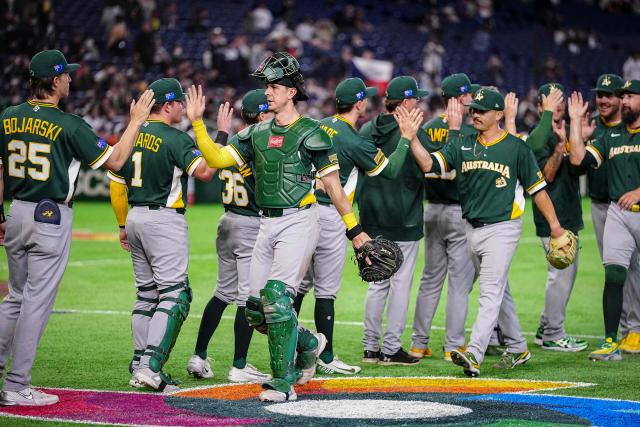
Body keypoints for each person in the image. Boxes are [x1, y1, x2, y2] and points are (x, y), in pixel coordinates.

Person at [186, 52, 371, 402]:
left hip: (300, 221)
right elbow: (216, 159)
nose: (267, 93)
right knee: (256, 311)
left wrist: (356, 231)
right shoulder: (255, 132)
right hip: (264, 224)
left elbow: (333, 187)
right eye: (266, 87)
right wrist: (198, 123)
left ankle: (281, 382)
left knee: (276, 298)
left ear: (290, 92)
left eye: (272, 86)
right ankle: (310, 343)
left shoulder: (311, 132)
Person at [0, 49, 154, 406]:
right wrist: (135, 122)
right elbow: (115, 160)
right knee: (36, 302)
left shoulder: (7, 116)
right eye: (65, 75)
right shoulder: (68, 124)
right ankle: (16, 384)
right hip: (48, 217)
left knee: (15, 299)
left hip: (16, 211)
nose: (70, 79)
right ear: (54, 81)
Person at [408, 88, 567, 377]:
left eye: (481, 110)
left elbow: (539, 191)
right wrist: (411, 139)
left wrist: (555, 227)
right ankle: (518, 346)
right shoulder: (464, 144)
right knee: (501, 291)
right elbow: (430, 164)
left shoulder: (516, 148)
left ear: (499, 114)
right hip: (471, 229)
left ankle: (474, 353)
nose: (475, 114)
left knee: (489, 293)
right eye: (473, 109)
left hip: (503, 229)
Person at [293, 77, 420, 375]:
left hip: (302, 212)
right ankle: (326, 357)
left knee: (298, 287)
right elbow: (389, 171)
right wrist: (405, 137)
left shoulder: (316, 125)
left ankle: (289, 350)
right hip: (332, 216)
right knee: (326, 290)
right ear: (360, 103)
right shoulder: (353, 139)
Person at [108, 77, 220, 392]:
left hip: (134, 216)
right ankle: (150, 366)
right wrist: (215, 133)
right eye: (180, 102)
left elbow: (116, 184)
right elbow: (206, 172)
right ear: (168, 105)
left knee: (147, 295)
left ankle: (139, 362)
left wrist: (121, 224)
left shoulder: (129, 135)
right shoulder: (175, 137)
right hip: (163, 220)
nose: (183, 107)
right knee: (175, 294)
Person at [186, 89, 272, 383]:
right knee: (248, 298)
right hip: (250, 222)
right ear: (261, 115)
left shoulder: (234, 141)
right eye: (269, 112)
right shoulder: (259, 143)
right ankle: (239, 365)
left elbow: (213, 159)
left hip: (227, 220)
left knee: (222, 293)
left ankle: (199, 356)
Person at [567, 81, 640, 361]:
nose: (624, 101)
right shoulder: (612, 135)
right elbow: (577, 158)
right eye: (623, 97)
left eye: (630, 96)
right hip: (618, 213)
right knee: (614, 273)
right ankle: (611, 341)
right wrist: (575, 122)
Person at [409, 73, 479, 362]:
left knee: (430, 279)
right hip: (458, 210)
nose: (473, 100)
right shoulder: (467, 131)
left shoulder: (426, 129)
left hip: (432, 208)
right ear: (460, 98)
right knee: (459, 282)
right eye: (469, 96)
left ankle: (418, 343)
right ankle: (453, 346)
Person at [359, 75, 428, 366]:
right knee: (399, 284)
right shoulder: (409, 132)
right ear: (407, 102)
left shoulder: (366, 129)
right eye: (416, 99)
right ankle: (391, 349)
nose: (419, 104)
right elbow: (425, 167)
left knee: (377, 284)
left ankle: (370, 349)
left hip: (371, 219)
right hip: (403, 217)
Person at [524, 83, 588, 352]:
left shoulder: (571, 130)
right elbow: (547, 176)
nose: (558, 104)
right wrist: (561, 145)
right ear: (541, 107)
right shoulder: (538, 137)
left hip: (569, 213)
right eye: (551, 100)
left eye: (560, 98)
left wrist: (578, 136)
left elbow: (579, 167)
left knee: (566, 276)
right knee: (559, 275)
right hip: (551, 219)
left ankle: (545, 326)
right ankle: (552, 333)